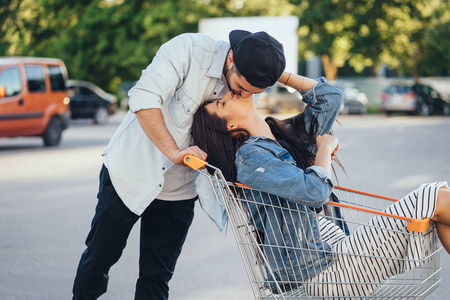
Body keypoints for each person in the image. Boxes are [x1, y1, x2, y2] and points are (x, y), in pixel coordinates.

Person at [191, 73, 450, 298]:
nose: (231, 93)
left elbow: (329, 97)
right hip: (326, 273)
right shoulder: (250, 158)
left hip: (337, 254)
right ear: (231, 126)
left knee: (439, 199)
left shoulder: (281, 135)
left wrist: (274, 73)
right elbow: (315, 192)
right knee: (432, 196)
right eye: (223, 102)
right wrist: (323, 152)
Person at [72, 29, 286, 300]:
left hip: (180, 191)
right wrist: (174, 152)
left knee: (156, 277)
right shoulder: (188, 50)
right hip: (131, 173)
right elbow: (143, 99)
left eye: (252, 93)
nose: (243, 95)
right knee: (99, 260)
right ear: (231, 57)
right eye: (242, 88)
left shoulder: (248, 78)